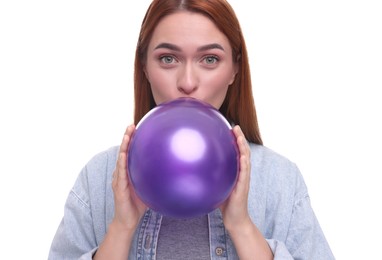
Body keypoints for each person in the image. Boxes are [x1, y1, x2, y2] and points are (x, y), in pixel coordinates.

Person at [49, 0, 335, 259]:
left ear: (235, 68)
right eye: (168, 59)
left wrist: (241, 226)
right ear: (145, 67)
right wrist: (121, 228)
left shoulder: (280, 180)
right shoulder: (98, 178)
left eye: (210, 59)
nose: (187, 82)